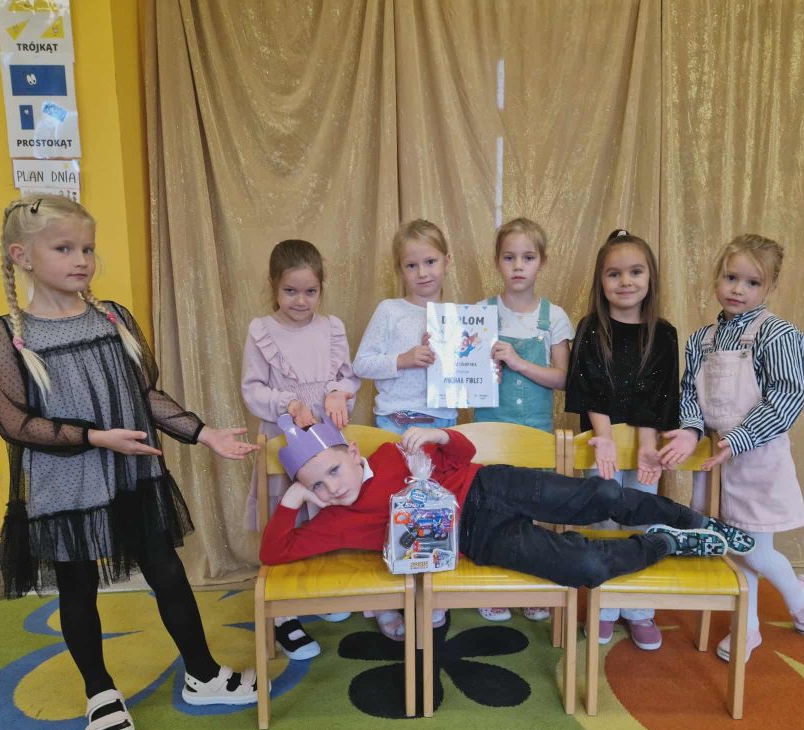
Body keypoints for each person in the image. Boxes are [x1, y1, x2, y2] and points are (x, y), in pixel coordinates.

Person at [0, 195, 261, 730]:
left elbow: (144, 396)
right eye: (64, 248)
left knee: (167, 572)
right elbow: (14, 422)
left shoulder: (112, 318)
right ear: (22, 256)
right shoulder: (10, 334)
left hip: (128, 477)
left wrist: (202, 432)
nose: (81, 259)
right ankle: (100, 692)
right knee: (77, 589)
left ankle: (203, 674)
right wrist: (94, 437)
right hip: (64, 486)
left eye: (87, 248)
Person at [259, 415, 757, 643]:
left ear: (352, 453)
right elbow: (274, 552)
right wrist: (292, 499)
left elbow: (465, 454)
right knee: (584, 566)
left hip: (487, 485)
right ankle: (668, 542)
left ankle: (695, 520)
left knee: (603, 495)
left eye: (333, 471)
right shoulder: (334, 519)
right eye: (316, 485)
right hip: (476, 539)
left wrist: (439, 434)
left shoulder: (393, 452)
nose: (330, 488)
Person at [658, 234, 804, 662]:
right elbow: (690, 395)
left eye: (752, 283)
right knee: (729, 547)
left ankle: (799, 595)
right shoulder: (701, 340)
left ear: (769, 287)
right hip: (715, 461)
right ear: (717, 277)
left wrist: (740, 439)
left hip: (758, 458)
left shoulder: (775, 334)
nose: (738, 289)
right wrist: (690, 430)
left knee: (756, 549)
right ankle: (747, 628)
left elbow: (785, 397)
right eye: (731, 277)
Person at [241, 239, 359, 661]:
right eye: (290, 291)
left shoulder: (332, 329)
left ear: (321, 288)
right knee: (287, 517)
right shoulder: (262, 331)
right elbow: (253, 389)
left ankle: (318, 591)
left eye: (310, 291)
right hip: (286, 439)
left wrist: (337, 392)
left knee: (326, 514)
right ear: (274, 286)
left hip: (327, 441)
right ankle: (284, 615)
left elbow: (348, 378)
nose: (301, 300)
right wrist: (288, 404)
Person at [565, 229, 679, 649]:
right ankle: (604, 606)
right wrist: (606, 437)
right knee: (602, 519)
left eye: (635, 272)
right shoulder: (591, 329)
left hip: (644, 446)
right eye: (614, 274)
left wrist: (647, 445)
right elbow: (589, 388)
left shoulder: (663, 333)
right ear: (601, 281)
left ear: (650, 278)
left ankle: (639, 608)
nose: (625, 281)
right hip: (602, 443)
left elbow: (658, 394)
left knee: (642, 518)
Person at [473, 217, 574, 623]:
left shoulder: (554, 316)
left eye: (528, 257)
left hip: (534, 430)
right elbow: (464, 373)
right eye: (509, 257)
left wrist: (516, 362)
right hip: (490, 429)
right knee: (494, 506)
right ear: (497, 261)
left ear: (542, 262)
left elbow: (563, 378)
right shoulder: (480, 313)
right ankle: (495, 586)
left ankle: (531, 585)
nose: (518, 266)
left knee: (530, 509)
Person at [352, 219, 457, 436]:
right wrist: (402, 360)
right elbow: (361, 365)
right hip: (396, 420)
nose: (422, 272)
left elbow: (464, 374)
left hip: (444, 420)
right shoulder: (389, 310)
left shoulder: (457, 318)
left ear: (446, 262)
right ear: (400, 270)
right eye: (411, 265)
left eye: (430, 261)